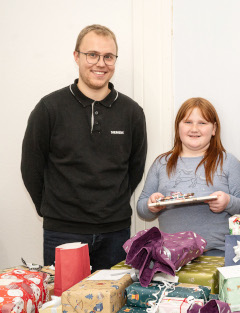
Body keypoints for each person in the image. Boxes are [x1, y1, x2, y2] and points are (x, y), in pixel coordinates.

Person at [21, 24, 147, 270]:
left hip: (116, 233)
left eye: (108, 56)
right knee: (65, 305)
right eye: (92, 55)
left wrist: (112, 208)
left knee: (114, 307)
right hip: (63, 233)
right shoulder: (49, 108)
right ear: (76, 56)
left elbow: (135, 168)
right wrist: (54, 210)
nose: (100, 63)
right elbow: (31, 168)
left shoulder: (132, 112)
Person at [137, 97, 240, 256]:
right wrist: (152, 205)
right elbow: (141, 208)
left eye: (202, 123)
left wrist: (228, 202)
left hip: (216, 254)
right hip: (170, 256)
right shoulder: (161, 163)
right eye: (187, 122)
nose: (194, 128)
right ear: (178, 127)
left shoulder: (228, 162)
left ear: (214, 129)